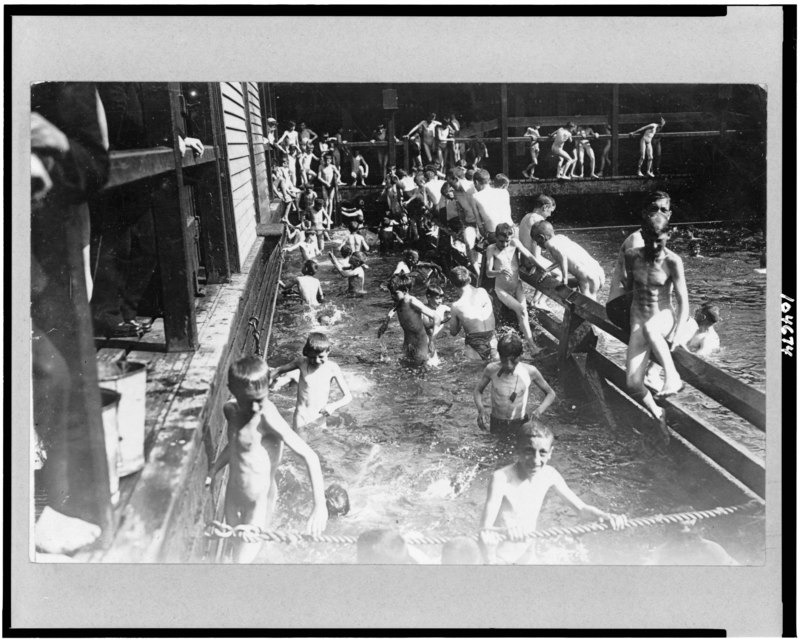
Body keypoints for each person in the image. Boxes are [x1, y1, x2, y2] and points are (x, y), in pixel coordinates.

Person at [32, 82, 113, 555]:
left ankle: (44, 506)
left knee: (51, 371)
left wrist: (51, 146)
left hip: (39, 259)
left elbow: (91, 167)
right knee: (46, 371)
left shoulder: (66, 81)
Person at [206, 356, 328, 563]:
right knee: (235, 550)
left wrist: (320, 505)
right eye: (249, 401)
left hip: (259, 503)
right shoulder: (230, 410)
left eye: (260, 400)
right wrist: (214, 469)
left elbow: (310, 456)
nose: (255, 408)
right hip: (233, 496)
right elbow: (237, 444)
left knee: (240, 565)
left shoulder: (267, 416)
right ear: (232, 390)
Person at [479, 422, 627, 564]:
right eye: (529, 451)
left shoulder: (549, 475)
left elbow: (581, 509)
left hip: (528, 553)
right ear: (517, 449)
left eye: (542, 453)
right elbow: (484, 531)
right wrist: (506, 531)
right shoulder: (501, 478)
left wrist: (604, 516)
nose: (536, 460)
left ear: (550, 453)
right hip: (500, 558)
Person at [623, 212, 688, 443]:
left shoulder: (673, 261)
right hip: (639, 321)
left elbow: (683, 303)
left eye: (659, 240)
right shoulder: (632, 256)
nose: (653, 245)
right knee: (632, 383)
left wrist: (678, 334)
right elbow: (630, 290)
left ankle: (673, 376)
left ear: (668, 235)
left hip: (663, 317)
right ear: (643, 235)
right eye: (649, 239)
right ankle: (657, 412)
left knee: (652, 329)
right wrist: (628, 324)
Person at [605, 191, 673, 335]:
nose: (659, 213)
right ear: (645, 213)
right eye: (654, 209)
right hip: (620, 304)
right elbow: (628, 281)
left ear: (669, 214)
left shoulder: (656, 240)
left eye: (663, 210)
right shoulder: (637, 239)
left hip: (634, 304)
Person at [473, 333, 556, 437]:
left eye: (513, 360)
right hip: (497, 422)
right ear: (499, 355)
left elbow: (550, 393)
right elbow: (478, 391)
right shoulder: (491, 369)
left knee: (519, 451)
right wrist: (481, 409)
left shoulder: (530, 371)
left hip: (520, 423)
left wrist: (539, 411)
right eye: (504, 360)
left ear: (521, 355)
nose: (508, 365)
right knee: (497, 449)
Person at [268, 333, 353, 435]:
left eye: (321, 356)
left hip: (319, 418)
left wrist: (333, 406)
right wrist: (263, 383)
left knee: (319, 447)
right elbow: (279, 371)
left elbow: (348, 397)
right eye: (312, 357)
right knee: (300, 445)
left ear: (328, 351)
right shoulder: (302, 362)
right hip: (301, 416)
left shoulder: (333, 368)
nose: (316, 360)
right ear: (307, 353)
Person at [484, 223, 541, 355]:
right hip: (501, 289)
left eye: (507, 241)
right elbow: (488, 272)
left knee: (524, 313)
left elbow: (530, 256)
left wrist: (544, 270)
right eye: (501, 241)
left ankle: (530, 346)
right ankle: (531, 346)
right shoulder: (491, 249)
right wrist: (500, 271)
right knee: (521, 310)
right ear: (496, 237)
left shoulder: (514, 243)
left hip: (517, 285)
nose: (504, 244)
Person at [530, 221, 606, 300]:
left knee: (588, 306)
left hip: (587, 277)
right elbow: (563, 259)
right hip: (596, 270)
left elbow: (563, 257)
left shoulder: (549, 243)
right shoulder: (560, 237)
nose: (538, 245)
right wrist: (547, 270)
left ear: (541, 237)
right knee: (585, 302)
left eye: (537, 241)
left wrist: (565, 280)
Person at [380, 273, 439, 365]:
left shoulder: (412, 301)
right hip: (408, 343)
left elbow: (436, 317)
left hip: (421, 343)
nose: (392, 296)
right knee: (406, 368)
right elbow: (392, 310)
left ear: (405, 290)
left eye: (395, 293)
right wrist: (385, 323)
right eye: (391, 293)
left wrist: (432, 341)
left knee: (423, 369)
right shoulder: (398, 301)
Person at [448, 266, 499, 362]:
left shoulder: (456, 306)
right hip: (492, 339)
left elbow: (453, 332)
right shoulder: (483, 291)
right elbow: (491, 301)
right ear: (470, 279)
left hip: (474, 343)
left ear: (453, 285)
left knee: (474, 372)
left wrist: (459, 319)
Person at [472, 169, 514, 243]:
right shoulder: (504, 192)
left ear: (476, 182)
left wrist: (486, 236)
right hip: (511, 231)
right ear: (489, 181)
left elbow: (480, 227)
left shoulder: (475, 197)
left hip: (495, 235)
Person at [420, 285, 451, 357]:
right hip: (430, 338)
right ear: (428, 297)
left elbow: (455, 312)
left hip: (442, 338)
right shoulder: (425, 309)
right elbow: (427, 325)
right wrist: (443, 321)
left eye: (441, 298)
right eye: (437, 298)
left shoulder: (443, 308)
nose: (440, 301)